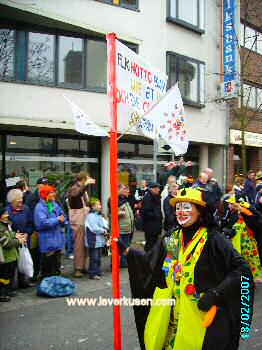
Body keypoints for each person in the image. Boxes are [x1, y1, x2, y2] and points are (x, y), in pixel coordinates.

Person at [116, 188, 254, 350]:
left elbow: (242, 269)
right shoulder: (173, 237)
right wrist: (126, 251)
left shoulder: (213, 239)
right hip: (171, 319)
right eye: (178, 207)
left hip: (200, 321)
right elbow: (150, 261)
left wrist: (215, 293)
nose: (181, 212)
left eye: (187, 207)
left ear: (200, 212)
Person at [34, 185, 67, 278]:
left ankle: (56, 280)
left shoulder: (54, 204)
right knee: (48, 262)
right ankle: (48, 282)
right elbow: (42, 223)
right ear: (45, 195)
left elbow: (63, 216)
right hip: (47, 239)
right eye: (51, 193)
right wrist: (57, 219)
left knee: (56, 261)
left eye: (53, 192)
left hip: (56, 237)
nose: (53, 194)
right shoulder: (39, 207)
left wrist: (62, 220)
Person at [224, 195, 262, 276]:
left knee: (250, 272)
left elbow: (254, 220)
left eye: (231, 203)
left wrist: (244, 209)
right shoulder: (237, 217)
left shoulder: (248, 219)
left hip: (250, 251)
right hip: (240, 250)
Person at [67, 171, 95, 278]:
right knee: (79, 244)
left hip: (84, 217)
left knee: (85, 243)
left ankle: (83, 266)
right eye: (87, 178)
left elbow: (85, 201)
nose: (90, 179)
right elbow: (75, 194)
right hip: (78, 218)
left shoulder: (83, 188)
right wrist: (86, 184)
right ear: (83, 179)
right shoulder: (74, 187)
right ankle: (78, 269)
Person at [5, 189, 33, 288]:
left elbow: (30, 223)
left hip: (25, 239)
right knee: (12, 264)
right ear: (12, 201)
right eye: (18, 200)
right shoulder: (7, 211)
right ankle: (10, 286)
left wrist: (27, 233)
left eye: (21, 199)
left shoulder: (26, 209)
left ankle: (23, 281)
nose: (21, 201)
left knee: (23, 260)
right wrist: (15, 235)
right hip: (14, 240)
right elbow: (6, 227)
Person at [0, 208, 27, 302]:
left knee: (11, 274)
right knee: (4, 276)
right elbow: (5, 243)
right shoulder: (0, 227)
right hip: (4, 257)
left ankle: (8, 290)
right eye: (4, 214)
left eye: (7, 213)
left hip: (12, 255)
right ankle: (2, 293)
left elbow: (10, 234)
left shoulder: (7, 225)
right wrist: (18, 240)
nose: (7, 215)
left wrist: (16, 235)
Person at [25, 177, 48, 281]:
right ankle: (34, 274)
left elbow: (51, 212)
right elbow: (29, 215)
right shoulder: (31, 198)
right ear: (38, 186)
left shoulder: (49, 198)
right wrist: (33, 229)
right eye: (43, 185)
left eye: (47, 185)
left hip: (46, 230)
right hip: (35, 231)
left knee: (46, 252)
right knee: (35, 253)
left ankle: (44, 273)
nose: (45, 187)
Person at [109, 183, 134, 268]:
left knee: (126, 246)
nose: (126, 190)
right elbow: (111, 214)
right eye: (124, 189)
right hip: (120, 229)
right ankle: (114, 263)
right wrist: (119, 213)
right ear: (118, 189)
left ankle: (124, 263)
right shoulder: (113, 199)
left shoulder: (125, 199)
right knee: (117, 247)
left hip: (127, 228)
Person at [85, 198, 108, 280]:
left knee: (98, 257)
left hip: (99, 240)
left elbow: (101, 225)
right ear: (92, 207)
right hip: (93, 240)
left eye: (100, 204)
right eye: (98, 204)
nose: (100, 206)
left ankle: (97, 271)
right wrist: (103, 230)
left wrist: (105, 228)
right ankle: (92, 273)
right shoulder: (91, 216)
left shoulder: (98, 215)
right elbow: (94, 228)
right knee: (94, 258)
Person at [141, 182, 162, 252]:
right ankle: (146, 259)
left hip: (155, 226)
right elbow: (145, 212)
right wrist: (156, 216)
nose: (159, 190)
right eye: (157, 188)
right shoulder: (147, 198)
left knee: (154, 244)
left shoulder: (155, 197)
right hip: (150, 227)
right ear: (152, 189)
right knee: (150, 244)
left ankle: (151, 259)